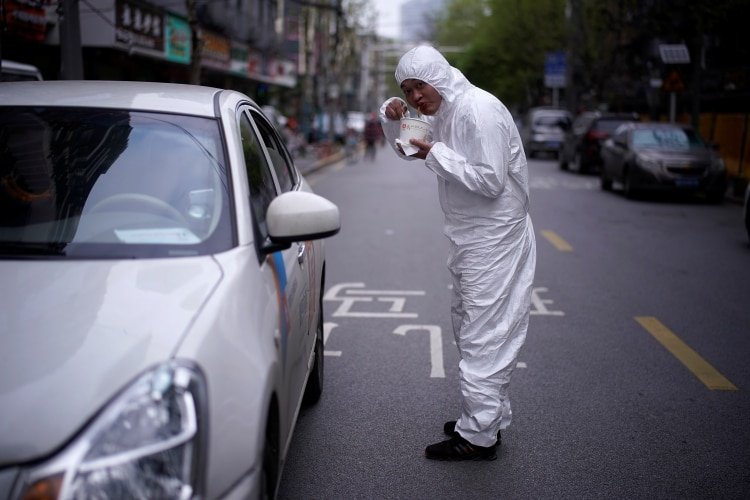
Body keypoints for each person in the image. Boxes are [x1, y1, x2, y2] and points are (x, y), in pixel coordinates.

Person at [379, 45, 536, 461]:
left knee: (484, 334)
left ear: (440, 77)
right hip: (473, 237)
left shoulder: (477, 111)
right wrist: (394, 117)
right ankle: (487, 417)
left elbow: (489, 181)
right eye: (407, 90)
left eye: (418, 86)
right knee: (472, 325)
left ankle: (478, 436)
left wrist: (434, 151)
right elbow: (409, 149)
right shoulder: (446, 112)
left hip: (494, 238)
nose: (415, 97)